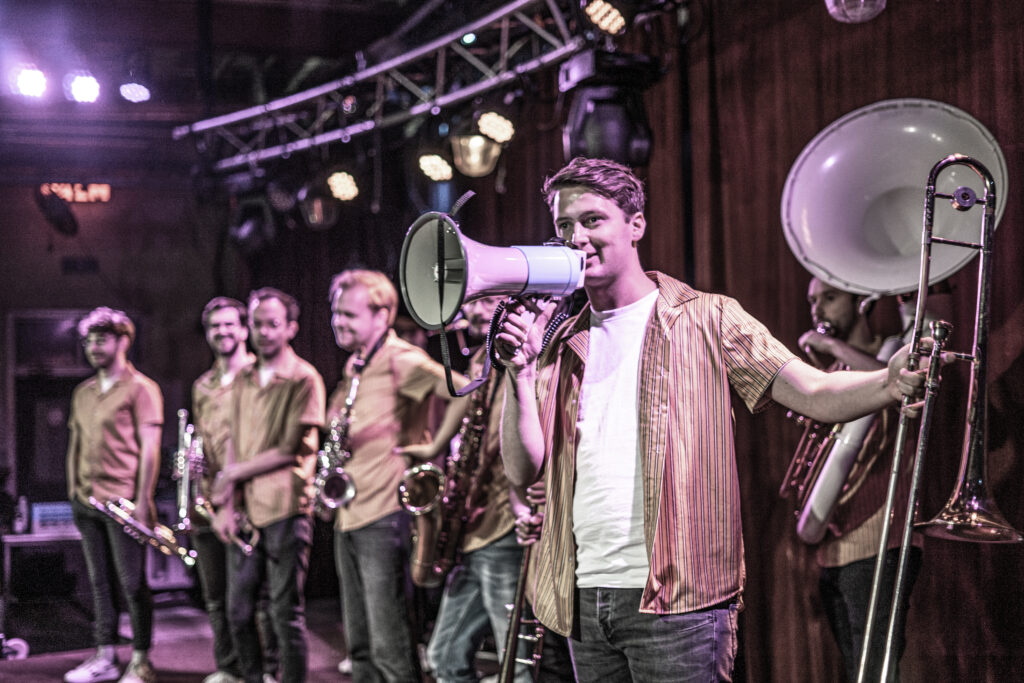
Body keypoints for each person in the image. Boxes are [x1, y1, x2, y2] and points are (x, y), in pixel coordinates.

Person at [494, 157, 930, 682]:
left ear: (636, 225)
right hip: (583, 597)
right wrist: (520, 374)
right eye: (564, 225)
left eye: (592, 220)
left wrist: (887, 383)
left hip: (679, 602)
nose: (576, 238)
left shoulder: (707, 316)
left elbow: (812, 391)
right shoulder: (560, 342)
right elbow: (523, 468)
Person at [326, 268, 467, 682]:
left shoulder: (401, 358)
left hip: (384, 512)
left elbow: (464, 390)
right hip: (350, 512)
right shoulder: (356, 364)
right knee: (359, 644)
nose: (338, 322)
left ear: (383, 315)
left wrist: (434, 444)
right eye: (335, 312)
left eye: (349, 314)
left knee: (389, 642)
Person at [394, 295, 534, 683]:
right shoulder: (479, 361)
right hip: (473, 523)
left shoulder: (526, 359)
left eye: (486, 301)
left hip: (504, 522)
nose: (473, 311)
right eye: (470, 303)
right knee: (444, 657)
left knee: (516, 666)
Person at [798, 278, 922, 682]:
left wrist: (833, 348)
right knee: (856, 671)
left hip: (879, 537)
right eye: (813, 301)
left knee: (874, 671)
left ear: (861, 302)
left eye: (830, 298)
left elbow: (895, 382)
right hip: (834, 545)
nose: (818, 310)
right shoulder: (830, 373)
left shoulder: (894, 354)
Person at [211, 288, 325, 683]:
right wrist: (227, 504)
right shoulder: (243, 376)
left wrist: (231, 475)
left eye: (273, 324)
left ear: (291, 328)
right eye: (257, 324)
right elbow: (233, 439)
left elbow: (290, 449)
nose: (263, 332)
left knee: (284, 612)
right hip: (248, 509)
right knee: (238, 611)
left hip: (286, 507)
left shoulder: (304, 377)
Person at [64, 307, 163, 683]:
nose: (93, 347)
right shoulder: (83, 392)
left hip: (124, 501)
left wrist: (144, 499)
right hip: (86, 500)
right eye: (88, 341)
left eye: (101, 339)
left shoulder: (142, 388)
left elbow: (150, 447)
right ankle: (104, 655)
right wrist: (73, 491)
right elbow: (76, 443)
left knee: (132, 583)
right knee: (98, 582)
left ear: (123, 341)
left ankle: (141, 661)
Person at [190, 297, 278, 683]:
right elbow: (204, 438)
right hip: (210, 499)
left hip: (250, 498)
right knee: (215, 596)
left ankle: (266, 669)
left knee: (255, 599)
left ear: (244, 330)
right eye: (215, 326)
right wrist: (192, 460)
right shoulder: (202, 385)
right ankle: (229, 668)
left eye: (229, 324)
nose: (222, 332)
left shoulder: (260, 377)